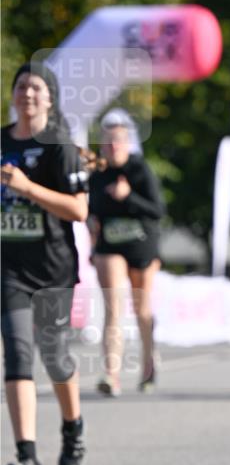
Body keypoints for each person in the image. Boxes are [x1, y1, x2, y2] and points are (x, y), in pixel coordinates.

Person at [1, 61, 89, 465]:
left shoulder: (60, 147)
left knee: (55, 358)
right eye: (22, 86)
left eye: (36, 88)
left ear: (49, 98)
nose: (27, 94)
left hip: (53, 270)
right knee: (18, 354)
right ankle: (27, 456)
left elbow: (79, 209)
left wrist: (27, 188)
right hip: (10, 270)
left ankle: (73, 430)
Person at [88, 110, 165, 396]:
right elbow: (90, 211)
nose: (112, 147)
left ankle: (148, 364)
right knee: (113, 308)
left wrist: (128, 196)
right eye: (107, 142)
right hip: (109, 245)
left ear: (128, 142)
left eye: (118, 141)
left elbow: (158, 211)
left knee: (141, 309)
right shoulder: (97, 174)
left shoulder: (139, 169)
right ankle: (111, 374)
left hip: (142, 244)